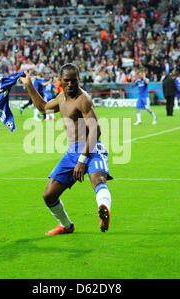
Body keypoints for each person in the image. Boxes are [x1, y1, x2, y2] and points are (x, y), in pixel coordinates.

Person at [19, 63, 113, 235]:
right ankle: (66, 226)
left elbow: (96, 130)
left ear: (79, 80)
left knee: (97, 181)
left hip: (91, 148)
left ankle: (103, 209)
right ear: (60, 81)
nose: (71, 84)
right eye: (67, 81)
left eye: (74, 81)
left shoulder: (83, 99)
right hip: (72, 152)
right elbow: (43, 108)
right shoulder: (61, 98)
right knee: (49, 195)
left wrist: (82, 160)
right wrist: (29, 85)